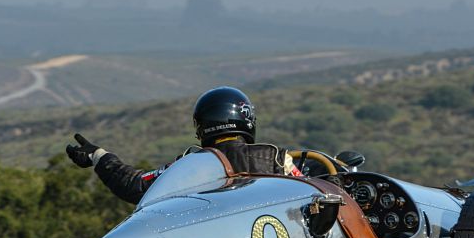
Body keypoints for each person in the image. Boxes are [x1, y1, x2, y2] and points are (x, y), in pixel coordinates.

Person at [66, 86, 300, 204]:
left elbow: (134, 184)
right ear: (247, 119)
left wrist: (98, 156)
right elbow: (317, 185)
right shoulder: (278, 159)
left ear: (201, 126)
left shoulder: (188, 165)